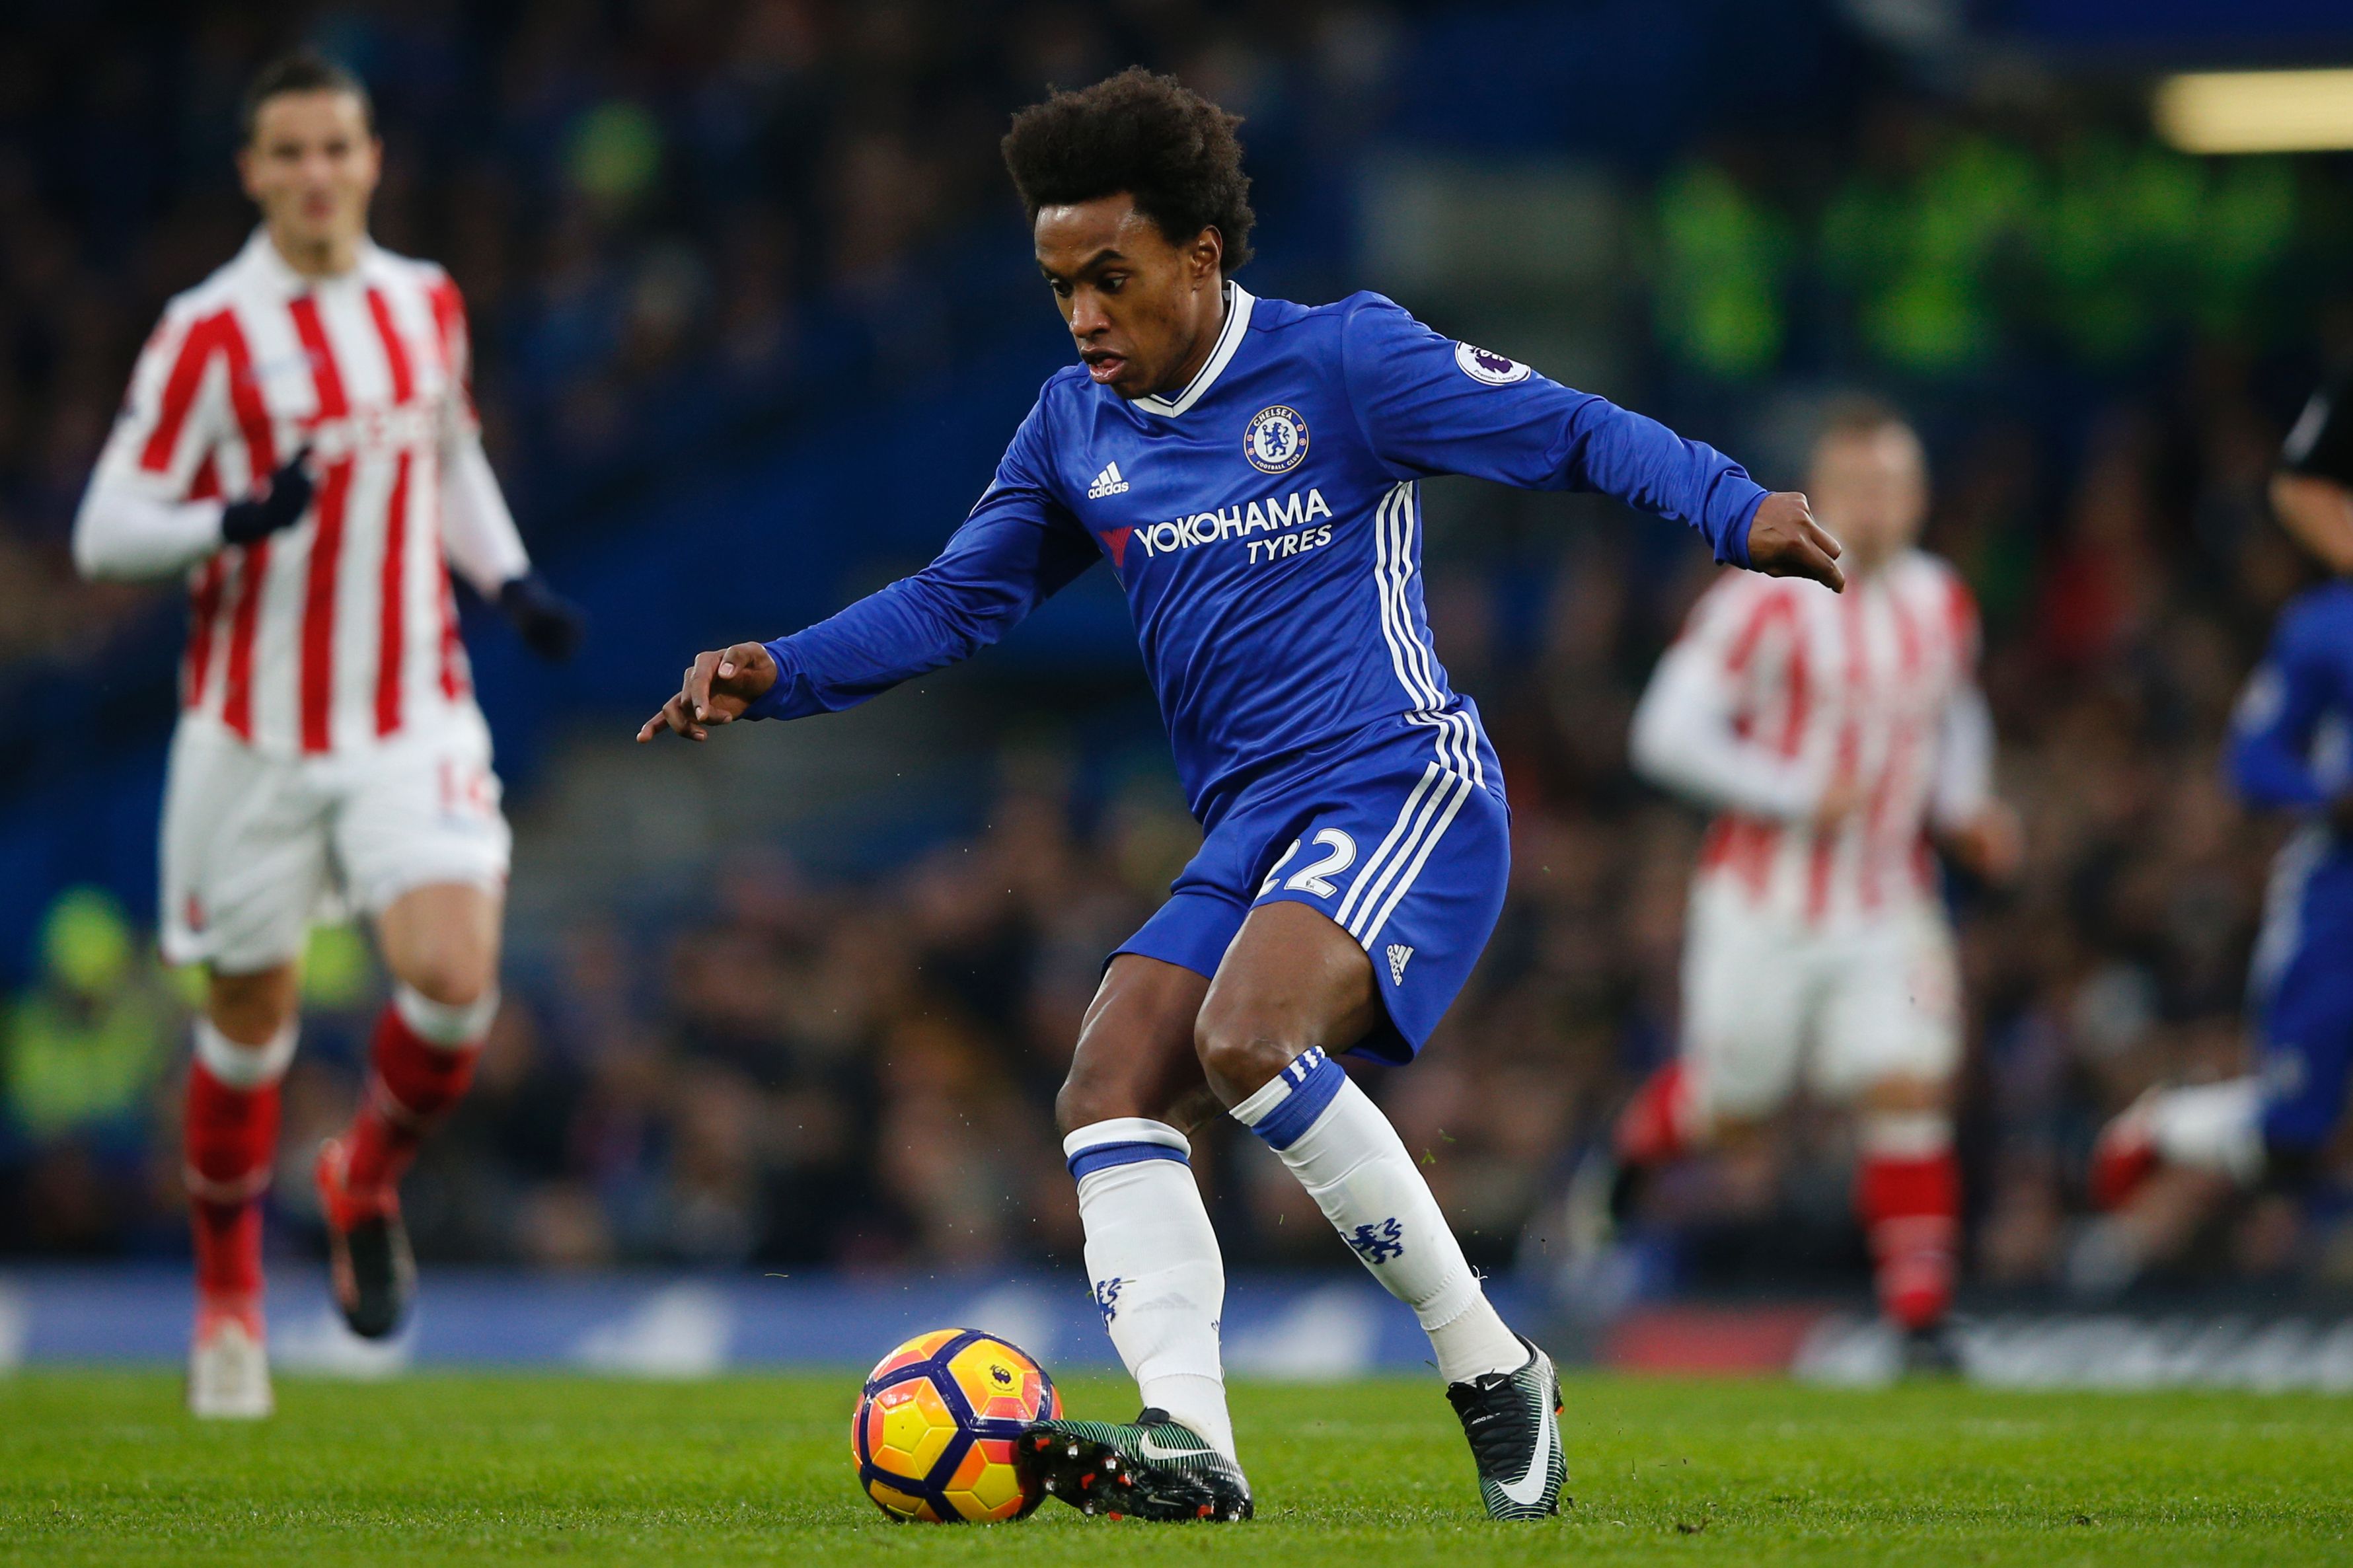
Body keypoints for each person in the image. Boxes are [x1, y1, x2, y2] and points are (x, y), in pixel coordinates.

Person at [640, 68, 1841, 1521]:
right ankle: (1191, 1442)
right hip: (1256, 822)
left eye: (1111, 277)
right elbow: (959, 600)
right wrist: (781, 668)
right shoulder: (1072, 426)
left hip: (1400, 780)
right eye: (1059, 286)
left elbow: (1569, 428)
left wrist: (1733, 505)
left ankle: (1492, 1364)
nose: (1083, 316)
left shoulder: (1345, 362)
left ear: (1200, 256)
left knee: (1246, 1037)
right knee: (1106, 1085)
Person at [73, 52, 581, 1419]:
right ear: (252, 172)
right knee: (249, 1026)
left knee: (455, 976)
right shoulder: (207, 332)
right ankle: (229, 1301)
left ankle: (361, 1177)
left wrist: (512, 582)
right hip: (250, 733)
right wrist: (226, 520)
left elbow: (449, 456)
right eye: (288, 152)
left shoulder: (425, 301)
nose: (316, 173)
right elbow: (104, 528)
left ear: (371, 160)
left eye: (336, 147)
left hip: (409, 705)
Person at [1602, 399, 2019, 1367]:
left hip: (1888, 897)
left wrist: (1967, 807)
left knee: (1907, 1080)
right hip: (1765, 902)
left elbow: (1951, 716)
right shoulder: (1764, 598)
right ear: (1822, 493)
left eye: (1893, 487)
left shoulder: (1941, 601)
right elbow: (1663, 731)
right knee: (1736, 1105)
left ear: (1919, 498)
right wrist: (1792, 791)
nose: (1876, 506)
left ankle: (1920, 1321)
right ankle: (1633, 1153)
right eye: (1858, 487)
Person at [2088, 369, 2353, 1253]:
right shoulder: (2326, 625)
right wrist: (2326, 797)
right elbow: (2253, 756)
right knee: (2291, 1135)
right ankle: (2165, 1126)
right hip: (2339, 891)